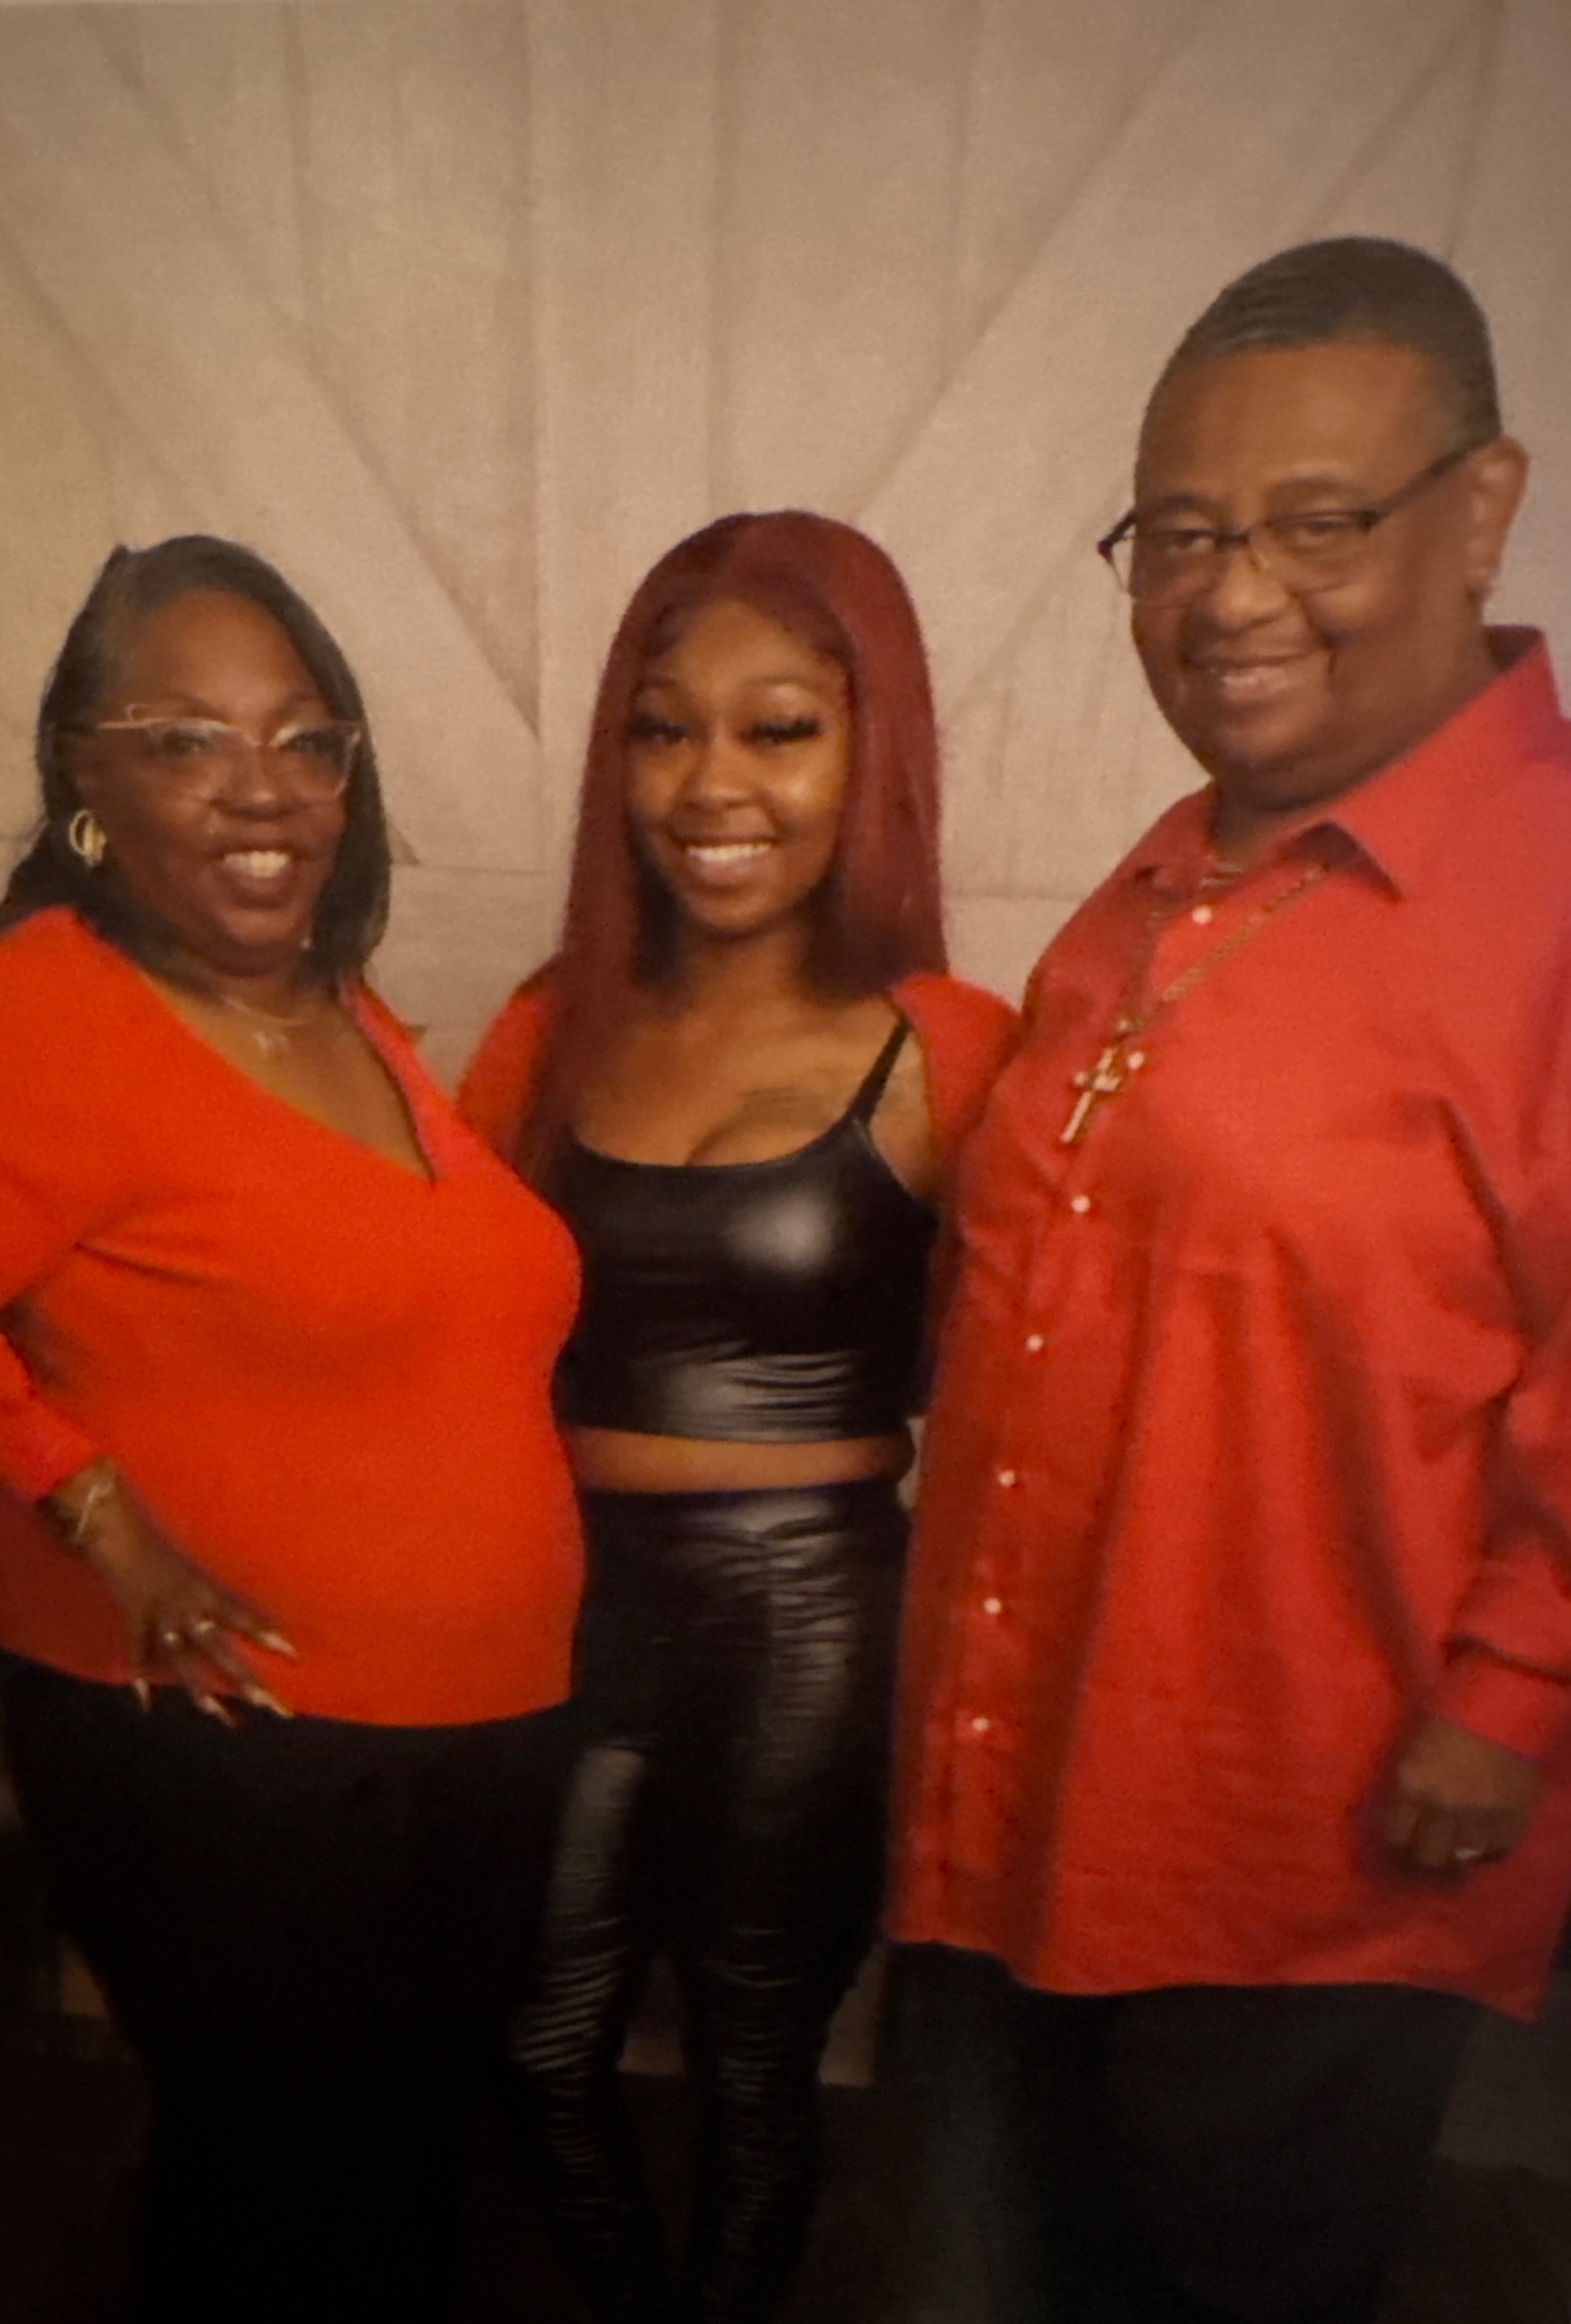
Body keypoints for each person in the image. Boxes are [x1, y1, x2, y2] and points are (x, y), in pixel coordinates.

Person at [890, 235, 1571, 2324]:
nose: (1231, 593)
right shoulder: (1169, 876)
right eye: (1179, 536)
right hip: (1022, 1778)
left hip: (1311, 1836)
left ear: (1482, 510)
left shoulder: (1547, 902)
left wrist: (1518, 1691)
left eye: (1316, 524)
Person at [0, 535, 585, 2320]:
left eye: (306, 740)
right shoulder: (30, 1014)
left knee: (397, 2178)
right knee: (280, 2198)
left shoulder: (337, 1014)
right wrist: (84, 1495)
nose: (264, 790)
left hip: (476, 1734)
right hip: (240, 1746)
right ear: (81, 779)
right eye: (186, 741)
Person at [458, 510, 1013, 2323]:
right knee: (538, 2043)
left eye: (779, 728)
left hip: (809, 1616)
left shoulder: (950, 1047)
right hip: (562, 1601)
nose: (712, 784)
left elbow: (1035, 1379)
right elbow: (442, 1325)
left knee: (760, 2059)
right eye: (662, 727)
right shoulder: (553, 1023)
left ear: (873, 752)